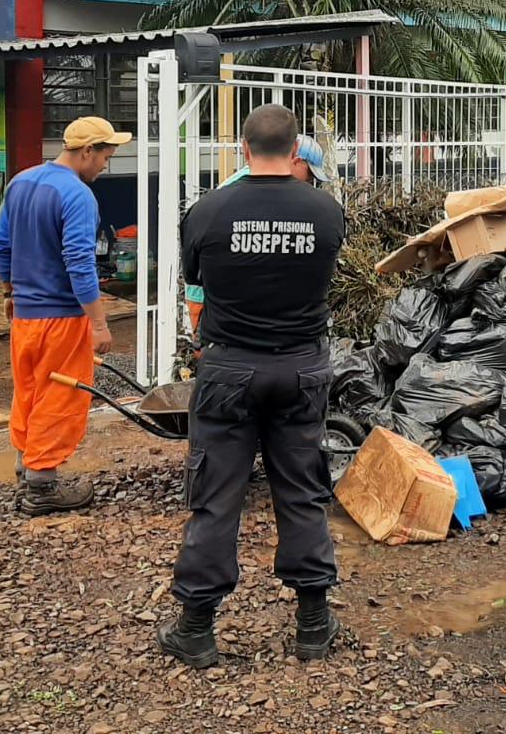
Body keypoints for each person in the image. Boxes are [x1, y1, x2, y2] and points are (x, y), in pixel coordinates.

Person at [158, 105, 347, 669]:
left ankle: (196, 628)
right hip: (300, 369)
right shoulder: (326, 212)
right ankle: (312, 625)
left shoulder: (207, 212)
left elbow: (199, 287)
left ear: (242, 149)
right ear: (296, 153)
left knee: (215, 498)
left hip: (229, 369)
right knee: (301, 490)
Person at [0, 116, 131, 516]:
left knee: (29, 391)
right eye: (105, 155)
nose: (106, 165)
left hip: (26, 318)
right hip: (62, 318)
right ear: (86, 151)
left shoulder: (21, 182)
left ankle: (25, 467)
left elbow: (0, 243)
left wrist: (9, 291)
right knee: (60, 395)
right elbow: (80, 265)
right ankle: (42, 486)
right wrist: (100, 324)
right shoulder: (78, 195)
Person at [187, 133, 333, 328]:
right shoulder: (240, 189)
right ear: (296, 161)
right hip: (215, 299)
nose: (307, 182)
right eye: (308, 175)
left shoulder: (264, 188)